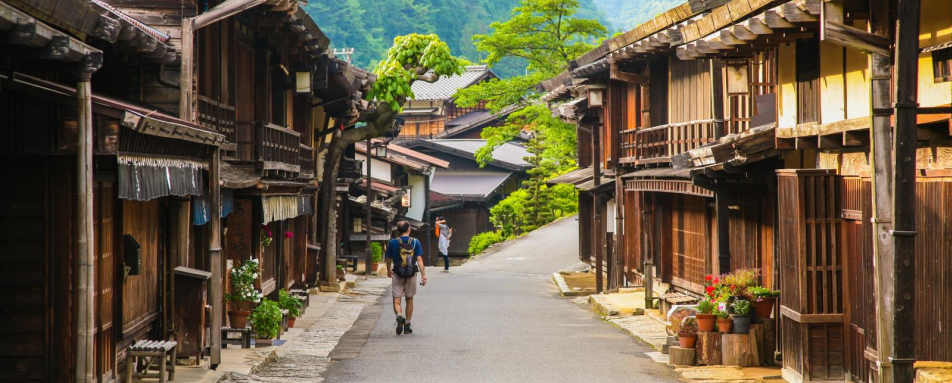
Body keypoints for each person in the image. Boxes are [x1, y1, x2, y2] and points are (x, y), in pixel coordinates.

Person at [386, 220, 427, 335]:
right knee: (409, 299)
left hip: (397, 273)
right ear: (409, 229)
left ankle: (399, 315)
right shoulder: (415, 242)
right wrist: (423, 275)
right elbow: (419, 260)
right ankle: (407, 324)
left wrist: (388, 270)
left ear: (398, 231)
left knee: (396, 299)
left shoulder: (392, 243)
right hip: (411, 274)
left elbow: (388, 259)